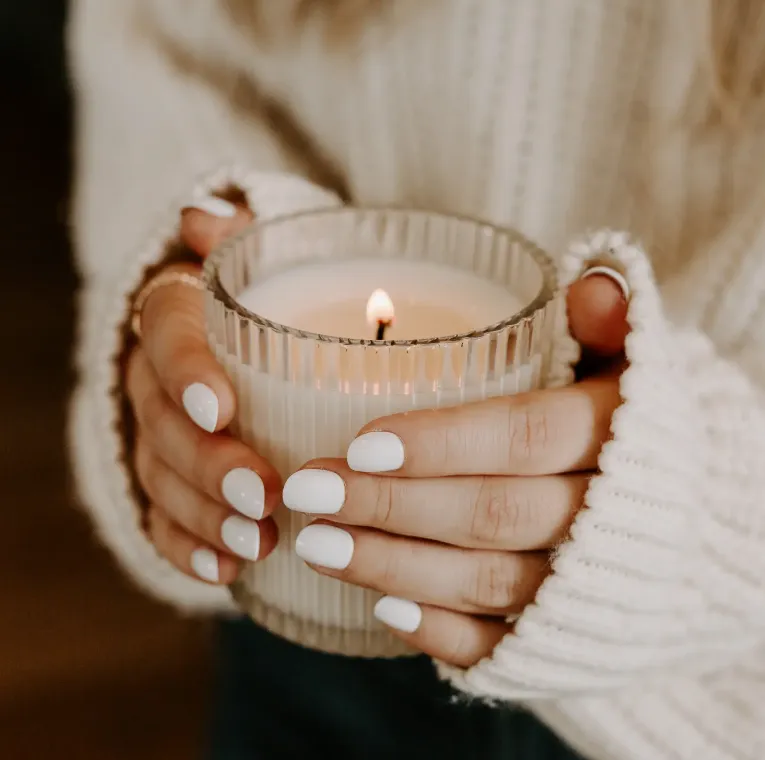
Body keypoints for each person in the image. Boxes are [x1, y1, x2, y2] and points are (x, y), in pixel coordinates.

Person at [67, 1, 765, 758]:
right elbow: (168, 46)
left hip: (694, 699)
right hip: (300, 617)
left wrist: (700, 514)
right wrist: (198, 292)